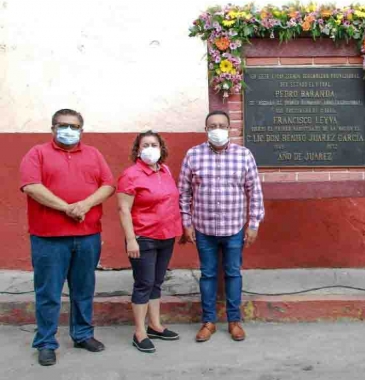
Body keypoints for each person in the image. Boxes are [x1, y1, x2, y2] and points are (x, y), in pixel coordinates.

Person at [19, 109, 115, 366]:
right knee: (49, 292)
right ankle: (46, 342)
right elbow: (31, 187)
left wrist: (84, 205)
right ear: (52, 128)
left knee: (84, 290)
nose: (68, 131)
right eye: (63, 125)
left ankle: (83, 334)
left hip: (87, 236)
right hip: (49, 238)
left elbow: (108, 185)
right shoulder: (37, 154)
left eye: (74, 126)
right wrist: (67, 208)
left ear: (82, 130)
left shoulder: (93, 154)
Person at [178, 110, 265, 343]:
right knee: (207, 274)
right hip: (203, 228)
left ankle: (234, 321)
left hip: (234, 227)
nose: (217, 129)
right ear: (206, 129)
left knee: (233, 273)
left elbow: (254, 192)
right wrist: (186, 223)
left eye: (221, 125)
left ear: (230, 128)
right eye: (212, 126)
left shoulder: (244, 155)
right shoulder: (193, 155)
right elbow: (184, 192)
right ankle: (208, 322)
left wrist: (253, 224)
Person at [117, 131, 182, 353]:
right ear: (137, 149)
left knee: (156, 282)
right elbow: (124, 209)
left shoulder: (165, 171)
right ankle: (139, 332)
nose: (150, 148)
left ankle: (155, 325)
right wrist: (131, 240)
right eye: (145, 145)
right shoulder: (130, 175)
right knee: (143, 283)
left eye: (155, 144)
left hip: (166, 236)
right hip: (143, 238)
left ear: (161, 148)